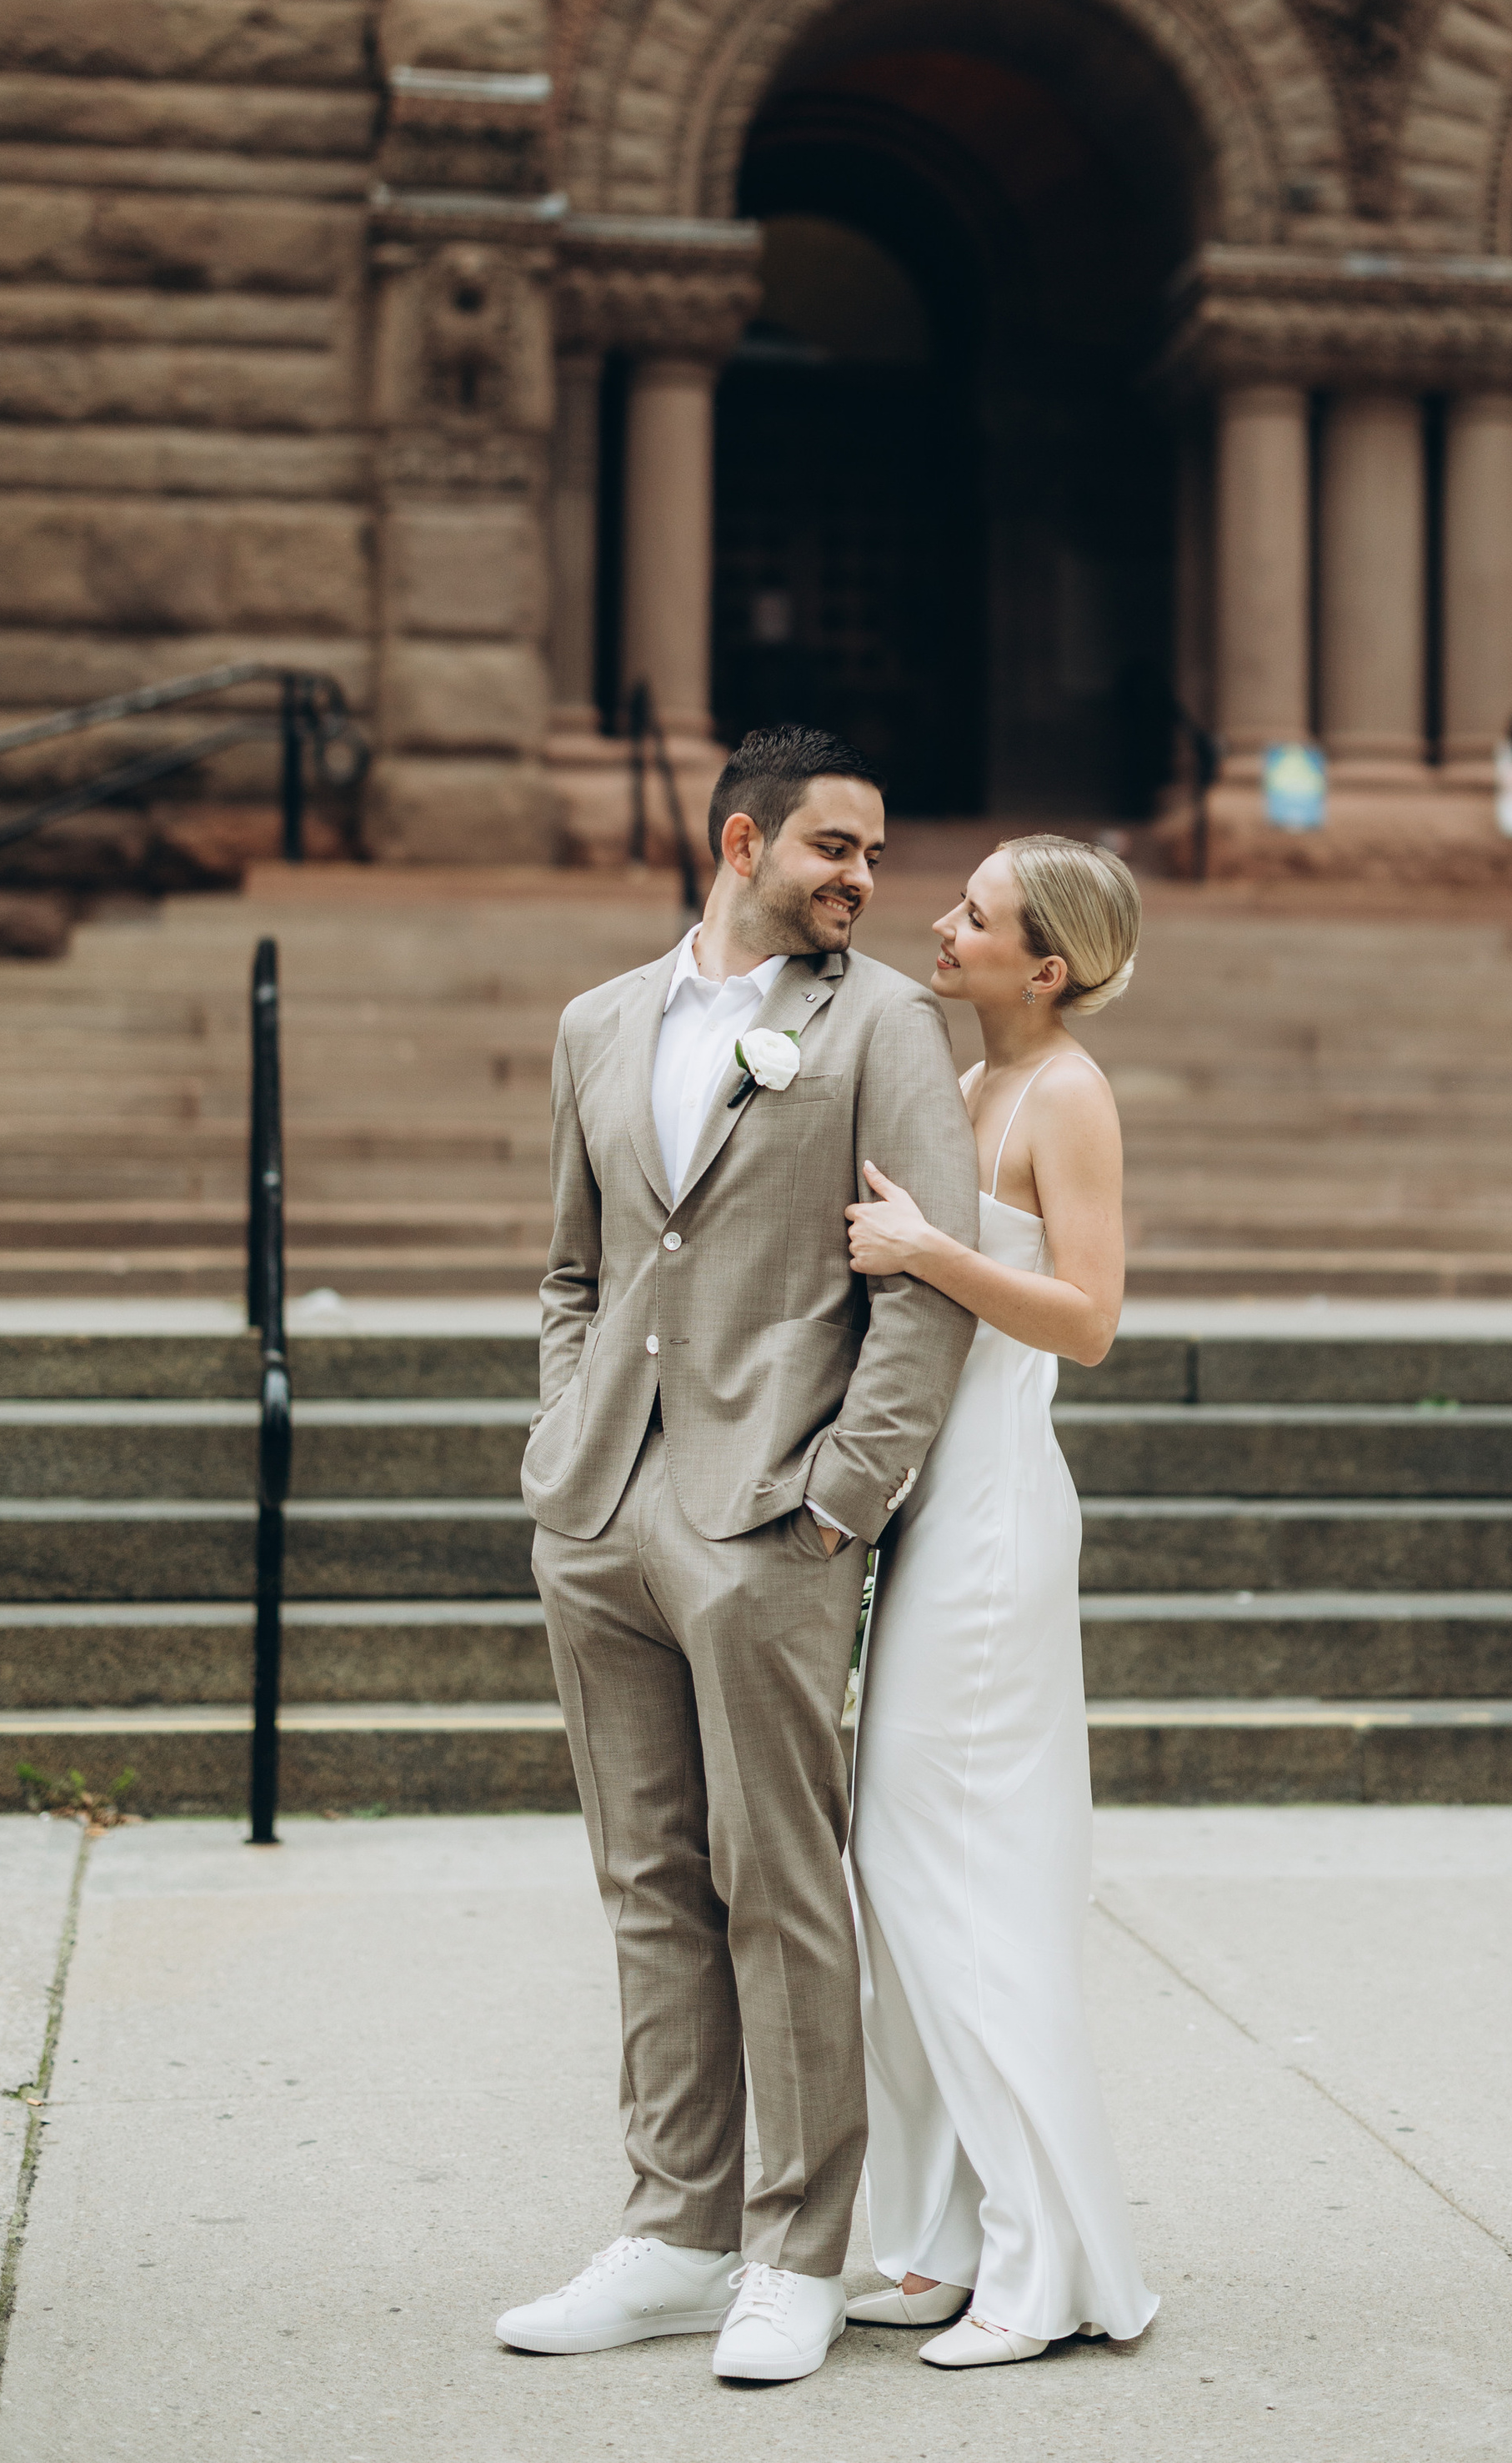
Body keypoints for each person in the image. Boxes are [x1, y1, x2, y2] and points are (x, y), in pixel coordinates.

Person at [498, 725, 980, 2387]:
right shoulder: (596, 1024)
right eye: (831, 849)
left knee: (778, 1884)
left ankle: (797, 2251)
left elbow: (927, 1282)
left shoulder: (887, 1026)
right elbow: (575, 1269)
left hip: (770, 1514)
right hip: (601, 1516)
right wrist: (566, 1450)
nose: (860, 880)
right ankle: (671, 2232)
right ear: (739, 841)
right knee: (645, 1885)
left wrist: (844, 1492)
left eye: (872, 855)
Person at [842, 835, 1159, 2370]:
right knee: (902, 1876)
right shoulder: (966, 1087)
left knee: (949, 1872)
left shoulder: (1069, 1095)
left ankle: (1039, 2270)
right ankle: (935, 2242)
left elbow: (1090, 1322)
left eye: (975, 914)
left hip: (993, 1526)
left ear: (1047, 967)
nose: (941, 923)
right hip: (932, 1507)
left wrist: (929, 1248)